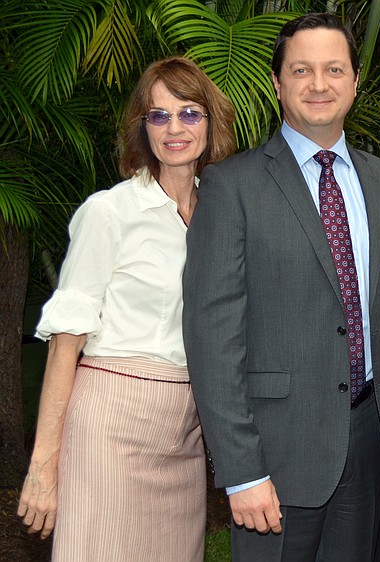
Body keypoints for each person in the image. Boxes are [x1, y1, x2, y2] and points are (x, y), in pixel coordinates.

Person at [182, 12, 380, 562]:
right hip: (274, 455)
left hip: (366, 447)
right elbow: (212, 339)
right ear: (277, 83)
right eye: (301, 70)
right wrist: (242, 472)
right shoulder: (230, 186)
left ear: (355, 80)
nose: (318, 84)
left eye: (334, 69)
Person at [16, 56, 236, 561]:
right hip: (110, 428)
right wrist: (44, 466)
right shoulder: (108, 212)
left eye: (189, 113)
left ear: (210, 123)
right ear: (143, 127)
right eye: (159, 115)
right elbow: (65, 344)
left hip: (185, 436)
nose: (175, 128)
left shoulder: (223, 215)